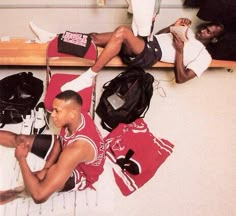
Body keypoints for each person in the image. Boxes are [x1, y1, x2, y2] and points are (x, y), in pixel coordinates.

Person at [58, 18, 224, 92]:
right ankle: (55, 39)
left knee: (123, 32)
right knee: (94, 37)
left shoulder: (204, 57)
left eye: (208, 32)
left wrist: (179, 51)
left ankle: (89, 76)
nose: (202, 30)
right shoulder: (187, 30)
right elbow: (159, 35)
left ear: (214, 39)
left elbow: (182, 78)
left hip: (150, 54)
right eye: (205, 27)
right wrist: (172, 26)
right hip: (146, 42)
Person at [0, 90, 105, 204]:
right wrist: (47, 166)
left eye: (57, 111)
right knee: (21, 140)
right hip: (68, 148)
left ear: (72, 114)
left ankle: (14, 193)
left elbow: (39, 196)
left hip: (81, 172)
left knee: (39, 180)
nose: (52, 115)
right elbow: (60, 141)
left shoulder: (78, 148)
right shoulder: (74, 118)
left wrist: (21, 159)